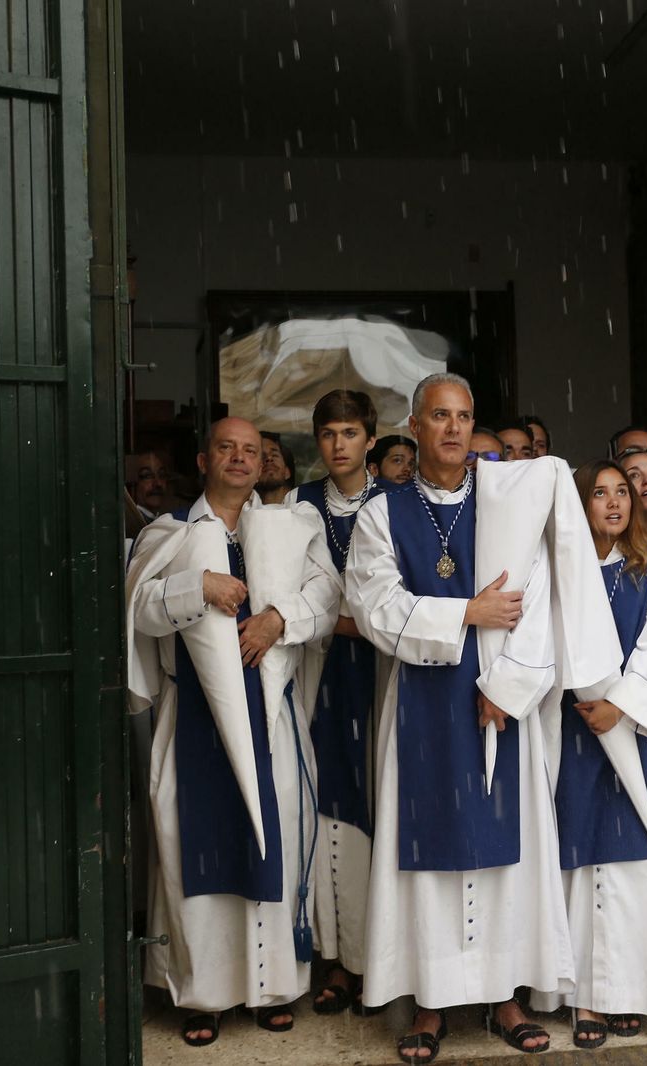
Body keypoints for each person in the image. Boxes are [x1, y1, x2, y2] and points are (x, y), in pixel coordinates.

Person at [345, 373, 568, 1062]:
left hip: (499, 704)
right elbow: (373, 606)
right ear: (413, 426)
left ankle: (505, 998)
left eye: (464, 417)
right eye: (438, 416)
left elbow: (541, 595)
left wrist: (510, 686)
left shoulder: (508, 501)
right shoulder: (381, 513)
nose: (452, 429)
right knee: (426, 854)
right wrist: (465, 613)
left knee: (507, 851)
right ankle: (432, 1002)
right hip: (421, 706)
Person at [125, 417, 339, 1047]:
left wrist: (278, 617)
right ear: (203, 460)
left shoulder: (292, 526)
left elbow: (327, 594)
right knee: (191, 845)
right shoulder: (168, 533)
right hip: (194, 713)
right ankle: (204, 994)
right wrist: (199, 587)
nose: (241, 459)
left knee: (274, 838)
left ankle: (271, 987)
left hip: (271, 712)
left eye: (252, 450)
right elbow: (139, 607)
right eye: (228, 448)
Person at [543, 460, 647, 1047]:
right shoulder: (557, 569)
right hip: (575, 729)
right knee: (580, 855)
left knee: (633, 857)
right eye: (598, 493)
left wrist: (622, 706)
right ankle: (583, 996)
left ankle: (630, 990)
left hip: (632, 731)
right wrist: (589, 703)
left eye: (621, 493)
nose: (613, 503)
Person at [285, 390, 384, 1017]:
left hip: (384, 671)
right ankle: (339, 958)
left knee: (382, 802)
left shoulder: (397, 504)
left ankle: (382, 957)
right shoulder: (298, 508)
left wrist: (361, 621)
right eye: (328, 434)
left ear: (370, 439)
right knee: (328, 808)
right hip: (321, 671)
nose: (339, 444)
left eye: (351, 432)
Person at [259, 432, 297, 504]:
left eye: (275, 455)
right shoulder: (242, 511)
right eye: (261, 456)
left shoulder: (306, 509)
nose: (269, 458)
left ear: (287, 472)